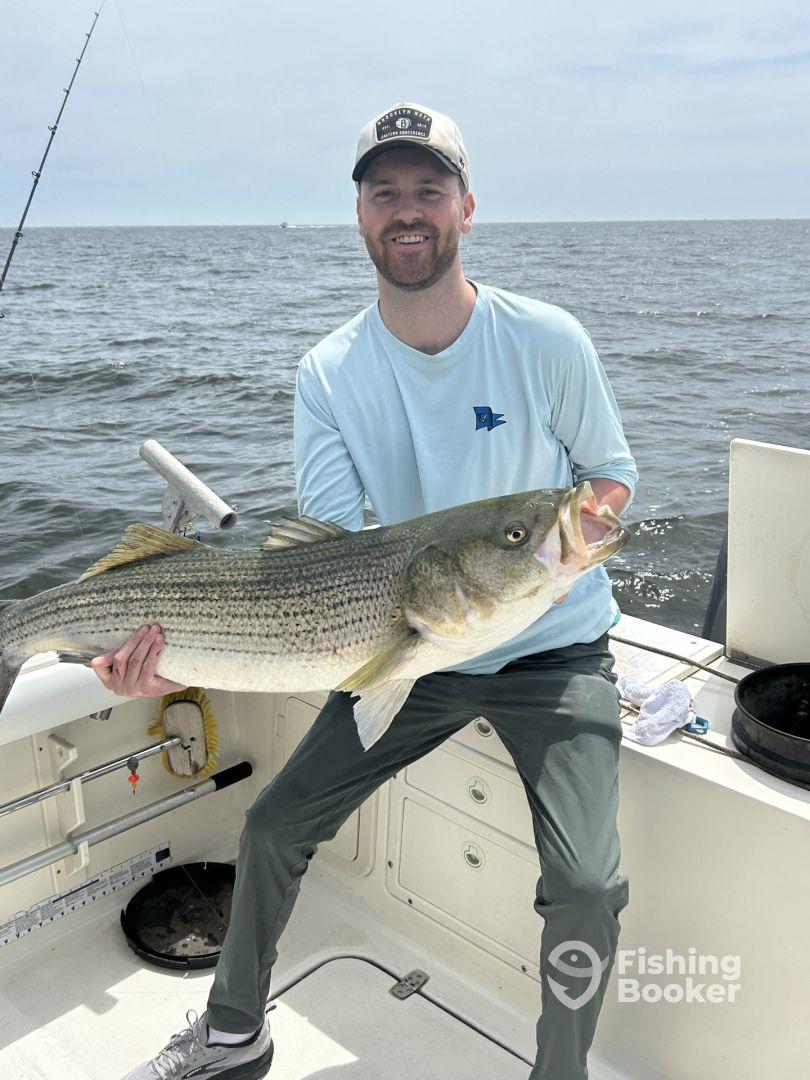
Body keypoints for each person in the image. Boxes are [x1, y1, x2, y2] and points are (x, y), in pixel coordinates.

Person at [105, 102, 638, 1080]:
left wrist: (555, 551)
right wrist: (167, 656)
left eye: (429, 190)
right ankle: (233, 1032)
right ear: (358, 215)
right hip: (408, 647)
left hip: (551, 654)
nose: (408, 210)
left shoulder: (548, 340)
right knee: (272, 826)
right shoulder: (330, 372)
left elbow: (608, 484)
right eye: (384, 191)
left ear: (466, 208)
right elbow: (327, 554)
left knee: (586, 885)